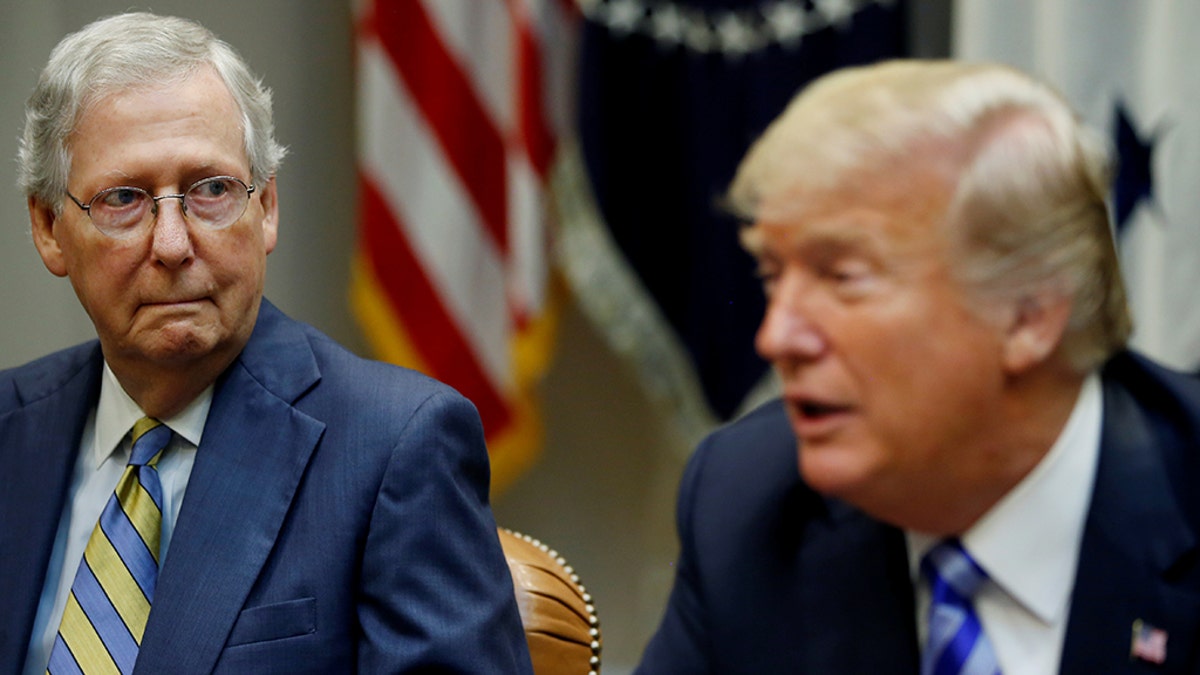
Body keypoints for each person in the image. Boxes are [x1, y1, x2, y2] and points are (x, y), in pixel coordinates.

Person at [0, 12, 532, 674]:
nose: (173, 244)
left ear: (268, 207)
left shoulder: (396, 447)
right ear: (49, 227)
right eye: (125, 199)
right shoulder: (10, 428)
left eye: (213, 189)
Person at [636, 59, 1200, 674]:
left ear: (1028, 314)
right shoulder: (748, 506)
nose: (776, 337)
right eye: (772, 276)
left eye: (842, 277)